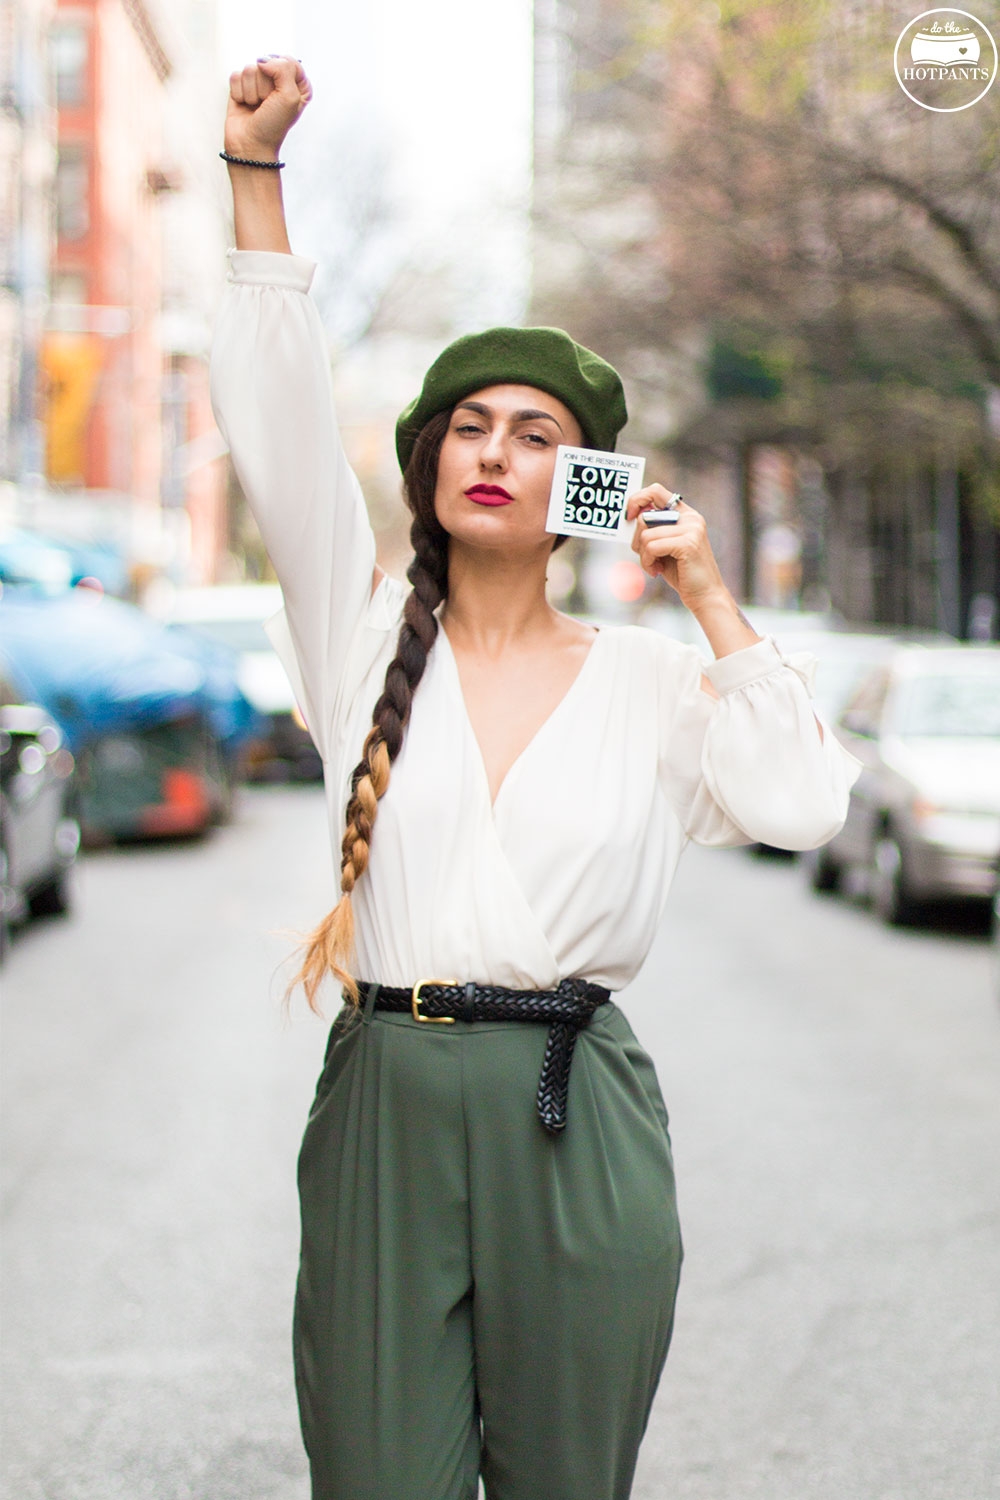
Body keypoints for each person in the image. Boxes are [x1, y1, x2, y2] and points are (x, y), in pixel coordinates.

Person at [211, 57, 860, 1500]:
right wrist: (254, 173)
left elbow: (807, 804)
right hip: (386, 1093)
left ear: (587, 489)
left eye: (539, 434)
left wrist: (704, 590)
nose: (495, 451)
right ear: (430, 461)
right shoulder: (355, 628)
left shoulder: (647, 685)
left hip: (578, 1117)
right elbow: (274, 425)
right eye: (469, 425)